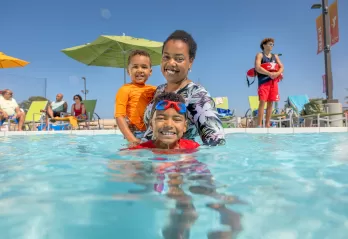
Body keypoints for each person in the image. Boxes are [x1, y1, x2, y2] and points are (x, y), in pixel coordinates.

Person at [143, 30, 225, 146]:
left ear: (190, 62)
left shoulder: (198, 96)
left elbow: (217, 142)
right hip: (150, 158)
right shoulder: (160, 90)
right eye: (166, 57)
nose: (171, 63)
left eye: (179, 59)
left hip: (178, 162)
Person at [127, 92, 200, 151]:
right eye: (161, 118)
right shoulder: (139, 151)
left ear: (185, 126)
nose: (169, 125)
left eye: (177, 119)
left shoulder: (193, 148)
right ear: (151, 125)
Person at [115, 49, 156, 145]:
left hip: (153, 133)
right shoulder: (124, 89)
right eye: (135, 67)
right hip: (135, 133)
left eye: (144, 67)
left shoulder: (155, 90)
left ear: (150, 71)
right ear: (128, 71)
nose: (140, 70)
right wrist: (131, 139)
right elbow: (119, 116)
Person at [255, 38, 284, 128]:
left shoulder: (275, 56)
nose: (272, 46)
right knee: (262, 102)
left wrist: (277, 73)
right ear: (264, 45)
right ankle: (259, 125)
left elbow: (282, 67)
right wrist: (269, 73)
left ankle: (267, 124)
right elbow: (257, 67)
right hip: (263, 82)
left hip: (273, 82)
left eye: (273, 45)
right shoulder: (259, 55)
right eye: (270, 44)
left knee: (271, 103)